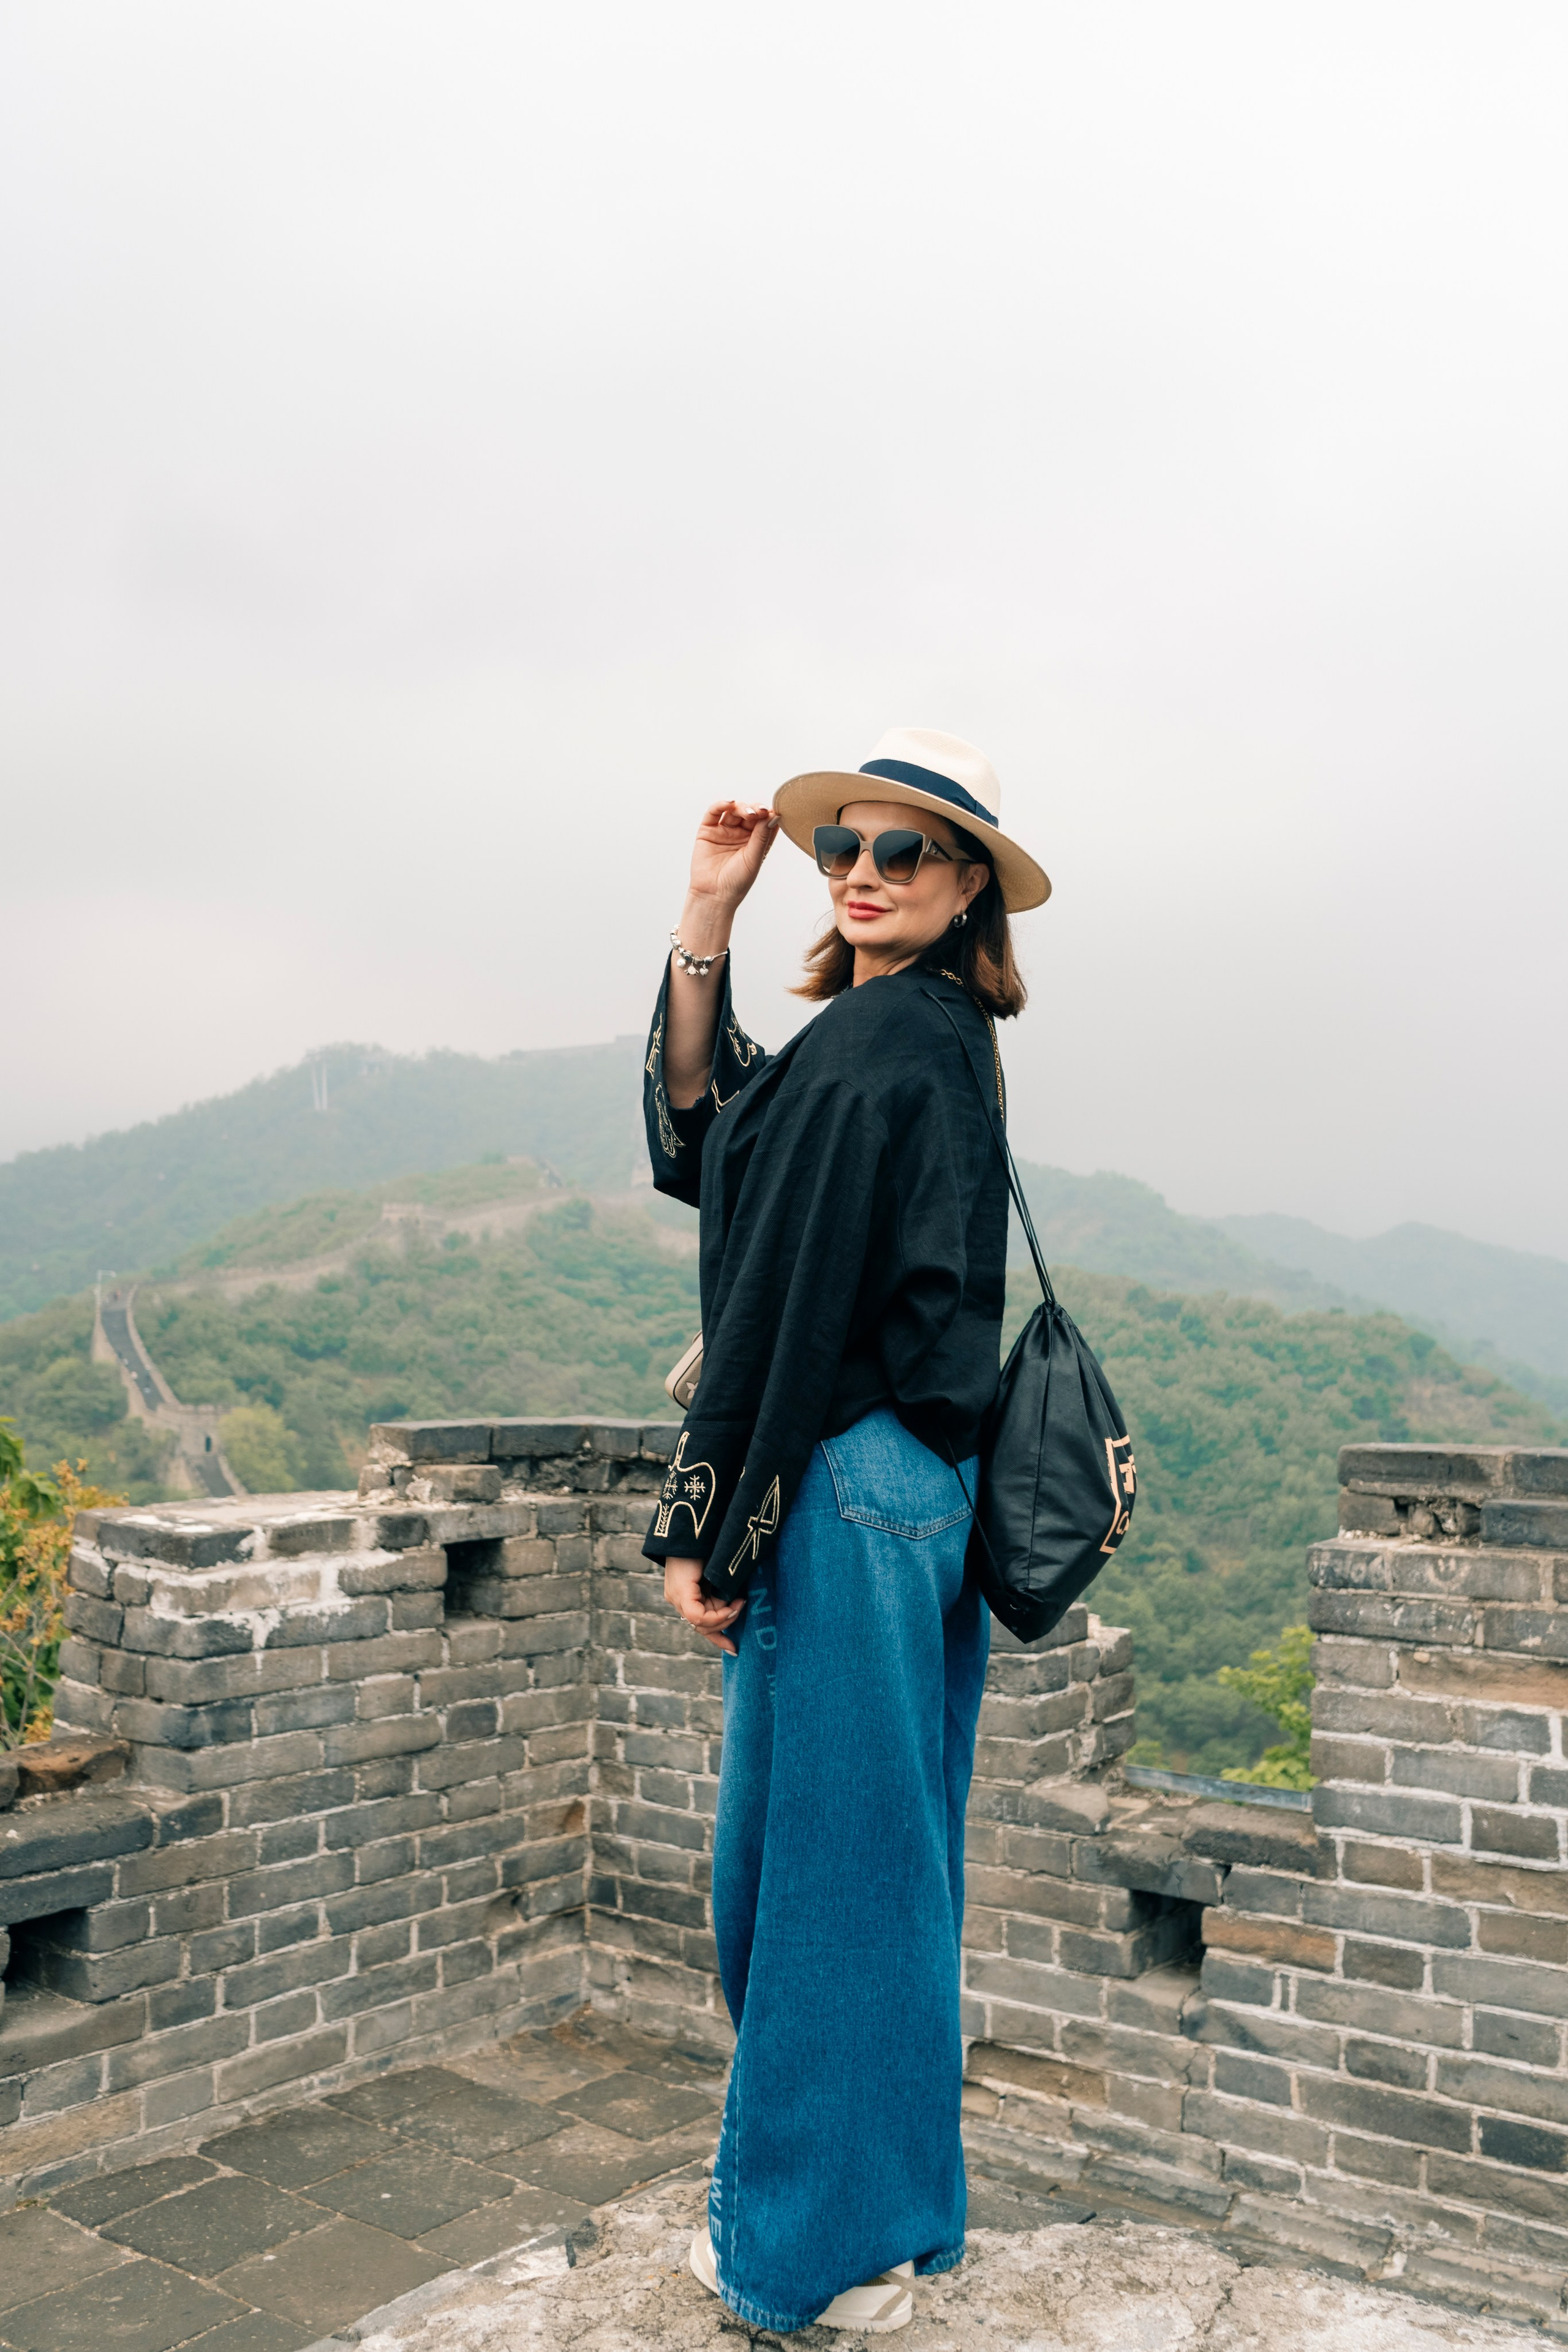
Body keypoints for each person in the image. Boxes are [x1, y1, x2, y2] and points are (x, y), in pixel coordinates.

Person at [641, 727, 1051, 2335]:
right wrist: (705, 919)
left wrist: (709, 1522)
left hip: (851, 1482)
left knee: (813, 1881)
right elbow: (712, 1146)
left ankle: (801, 2261)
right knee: (883, 1864)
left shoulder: (885, 1045)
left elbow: (783, 1301)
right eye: (845, 852)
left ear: (965, 893)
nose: (866, 873)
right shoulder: (912, 1039)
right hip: (914, 1495)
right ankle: (895, 2224)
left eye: (905, 854)